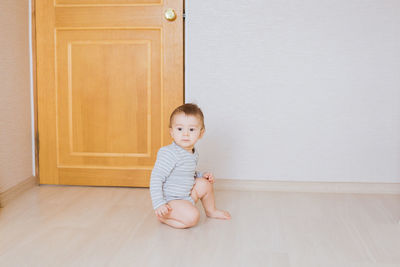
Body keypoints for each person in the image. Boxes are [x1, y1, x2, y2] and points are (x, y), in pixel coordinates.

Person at [150, 103, 231, 229]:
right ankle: (164, 217)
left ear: (201, 133)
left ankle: (211, 211)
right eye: (180, 129)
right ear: (171, 132)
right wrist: (159, 203)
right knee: (193, 217)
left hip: (186, 195)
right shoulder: (169, 153)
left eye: (191, 129)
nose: (185, 134)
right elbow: (156, 178)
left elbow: (186, 172)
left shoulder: (193, 152)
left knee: (205, 184)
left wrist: (201, 175)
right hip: (171, 200)